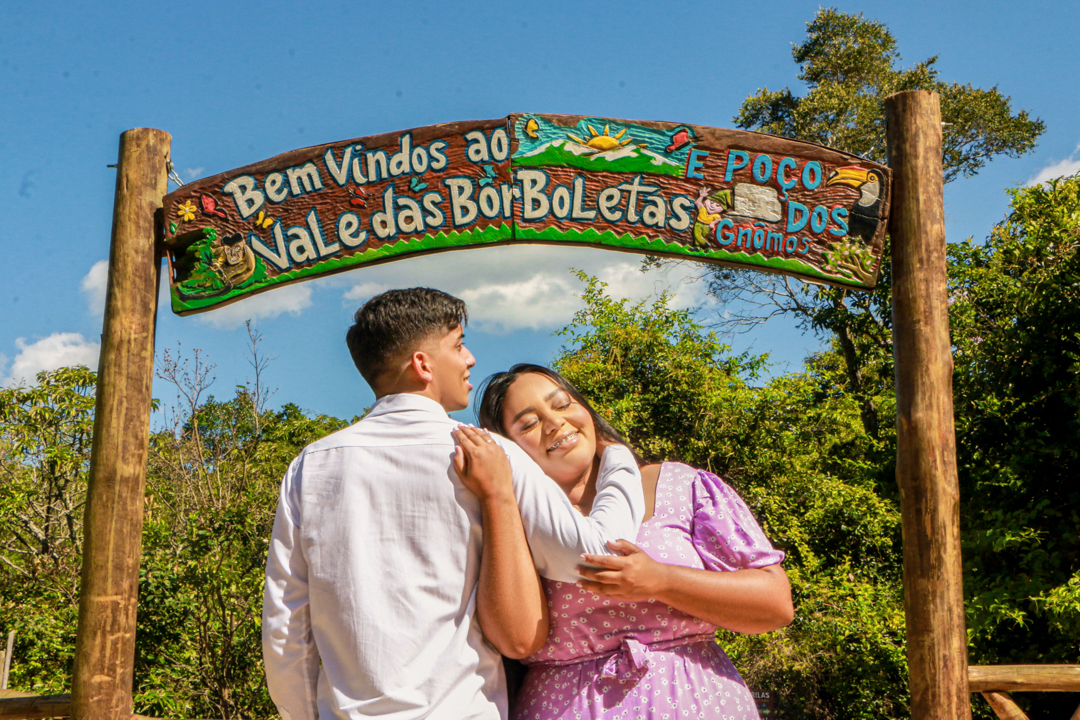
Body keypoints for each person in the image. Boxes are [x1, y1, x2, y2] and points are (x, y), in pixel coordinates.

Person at [262, 289, 646, 720]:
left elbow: (286, 626)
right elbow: (596, 554)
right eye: (459, 344)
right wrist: (615, 455)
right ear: (423, 365)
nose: (470, 359)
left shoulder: (310, 466)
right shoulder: (486, 452)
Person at [470, 364, 794, 720]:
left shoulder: (679, 485)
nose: (554, 423)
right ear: (509, 448)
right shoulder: (508, 519)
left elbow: (775, 603)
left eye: (562, 404)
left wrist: (662, 580)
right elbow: (514, 639)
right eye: (528, 423)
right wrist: (498, 499)